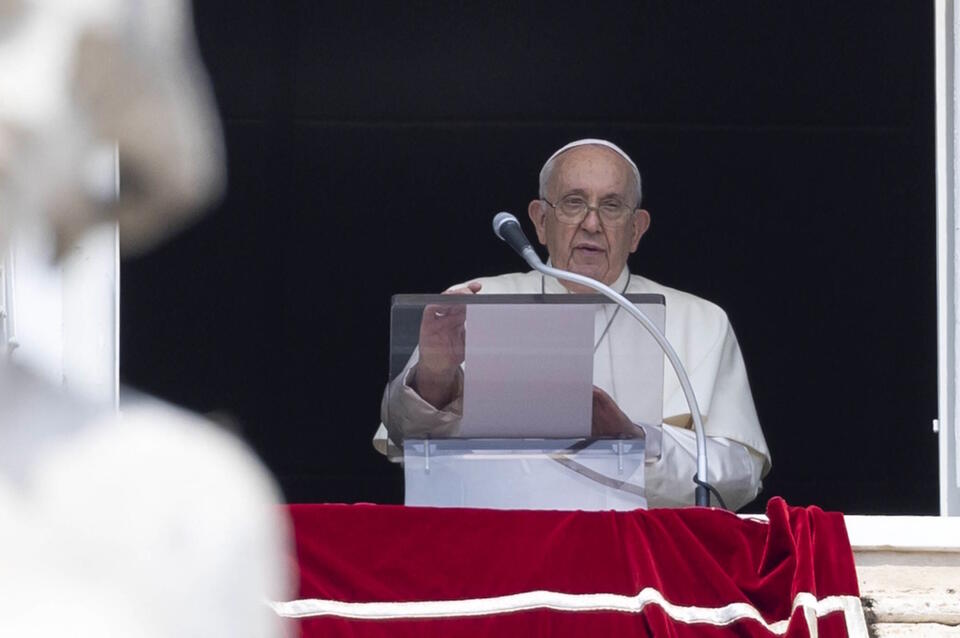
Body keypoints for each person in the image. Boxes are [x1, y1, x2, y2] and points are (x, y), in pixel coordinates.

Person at [375, 138, 770, 511]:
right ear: (541, 220)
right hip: (495, 553)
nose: (592, 223)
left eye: (612, 206)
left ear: (637, 229)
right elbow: (402, 436)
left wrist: (635, 442)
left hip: (639, 564)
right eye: (573, 202)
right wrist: (435, 376)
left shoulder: (700, 320)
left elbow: (739, 476)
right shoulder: (474, 304)